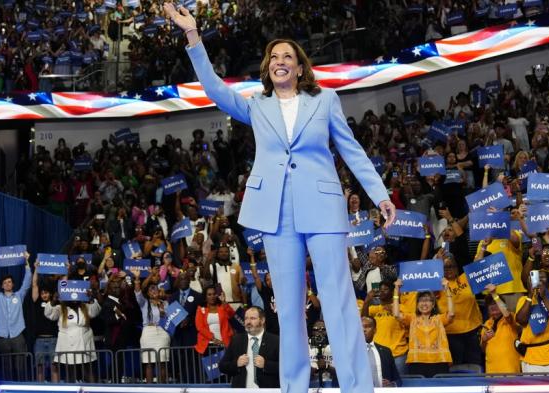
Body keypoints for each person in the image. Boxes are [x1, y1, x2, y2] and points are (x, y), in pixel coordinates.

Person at [165, 5, 397, 393]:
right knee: (289, 310)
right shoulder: (257, 105)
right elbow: (215, 90)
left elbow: (352, 149)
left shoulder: (324, 100)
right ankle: (294, 388)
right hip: (276, 214)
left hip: (322, 209)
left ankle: (357, 388)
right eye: (274, 57)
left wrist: (380, 194)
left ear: (301, 67)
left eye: (287, 56)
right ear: (268, 68)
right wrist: (193, 37)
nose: (280, 61)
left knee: (338, 303)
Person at [0, 255, 32, 381]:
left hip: (18, 334)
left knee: (20, 364)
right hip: (2, 335)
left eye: (9, 282)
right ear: (2, 286)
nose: (7, 284)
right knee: (6, 365)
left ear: (13, 284)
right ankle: (7, 387)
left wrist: (26, 262)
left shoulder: (19, 295)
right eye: (5, 283)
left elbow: (27, 281)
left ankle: (21, 387)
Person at [393, 279, 454, 378]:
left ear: (433, 304)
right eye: (421, 301)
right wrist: (396, 290)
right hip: (417, 363)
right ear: (417, 305)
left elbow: (451, 313)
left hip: (439, 362)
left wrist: (447, 289)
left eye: (428, 300)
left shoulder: (439, 319)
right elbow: (396, 314)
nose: (424, 303)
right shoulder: (412, 319)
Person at [515, 270, 549, 375]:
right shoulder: (523, 300)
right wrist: (530, 296)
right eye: (536, 277)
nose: (539, 280)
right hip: (531, 358)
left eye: (543, 278)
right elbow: (521, 320)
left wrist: (544, 297)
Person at [219, 306, 280, 388]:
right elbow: (222, 366)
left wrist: (266, 365)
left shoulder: (275, 341)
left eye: (252, 318)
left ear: (262, 320)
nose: (248, 322)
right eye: (246, 318)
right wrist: (236, 363)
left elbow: (285, 368)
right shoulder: (237, 340)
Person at [480, 284, 521, 373]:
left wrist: (494, 294)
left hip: (510, 370)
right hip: (491, 371)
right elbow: (483, 350)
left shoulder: (511, 318)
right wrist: (484, 340)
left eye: (495, 303)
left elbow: (507, 315)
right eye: (490, 305)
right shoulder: (487, 323)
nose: (493, 306)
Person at [361, 316, 402, 388]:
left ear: (375, 330)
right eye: (360, 326)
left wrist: (392, 385)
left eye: (367, 326)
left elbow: (398, 380)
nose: (363, 329)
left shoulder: (386, 352)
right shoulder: (350, 352)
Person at [194, 286, 236, 355]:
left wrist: (224, 302)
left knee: (225, 365)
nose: (212, 296)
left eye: (214, 294)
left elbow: (231, 315)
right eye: (209, 294)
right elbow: (200, 327)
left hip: (224, 343)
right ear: (205, 296)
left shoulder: (222, 306)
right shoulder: (201, 309)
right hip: (208, 344)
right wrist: (213, 339)